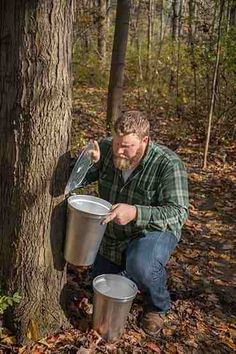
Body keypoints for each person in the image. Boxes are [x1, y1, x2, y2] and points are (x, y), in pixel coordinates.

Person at [81, 110, 189, 335]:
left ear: (145, 140)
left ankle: (157, 306)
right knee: (98, 282)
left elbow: (178, 213)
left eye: (127, 146)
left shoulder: (167, 164)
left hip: (153, 230)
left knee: (142, 265)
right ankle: (128, 273)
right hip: (115, 231)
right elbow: (77, 181)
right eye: (116, 143)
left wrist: (136, 212)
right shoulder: (106, 149)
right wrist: (87, 163)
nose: (119, 150)